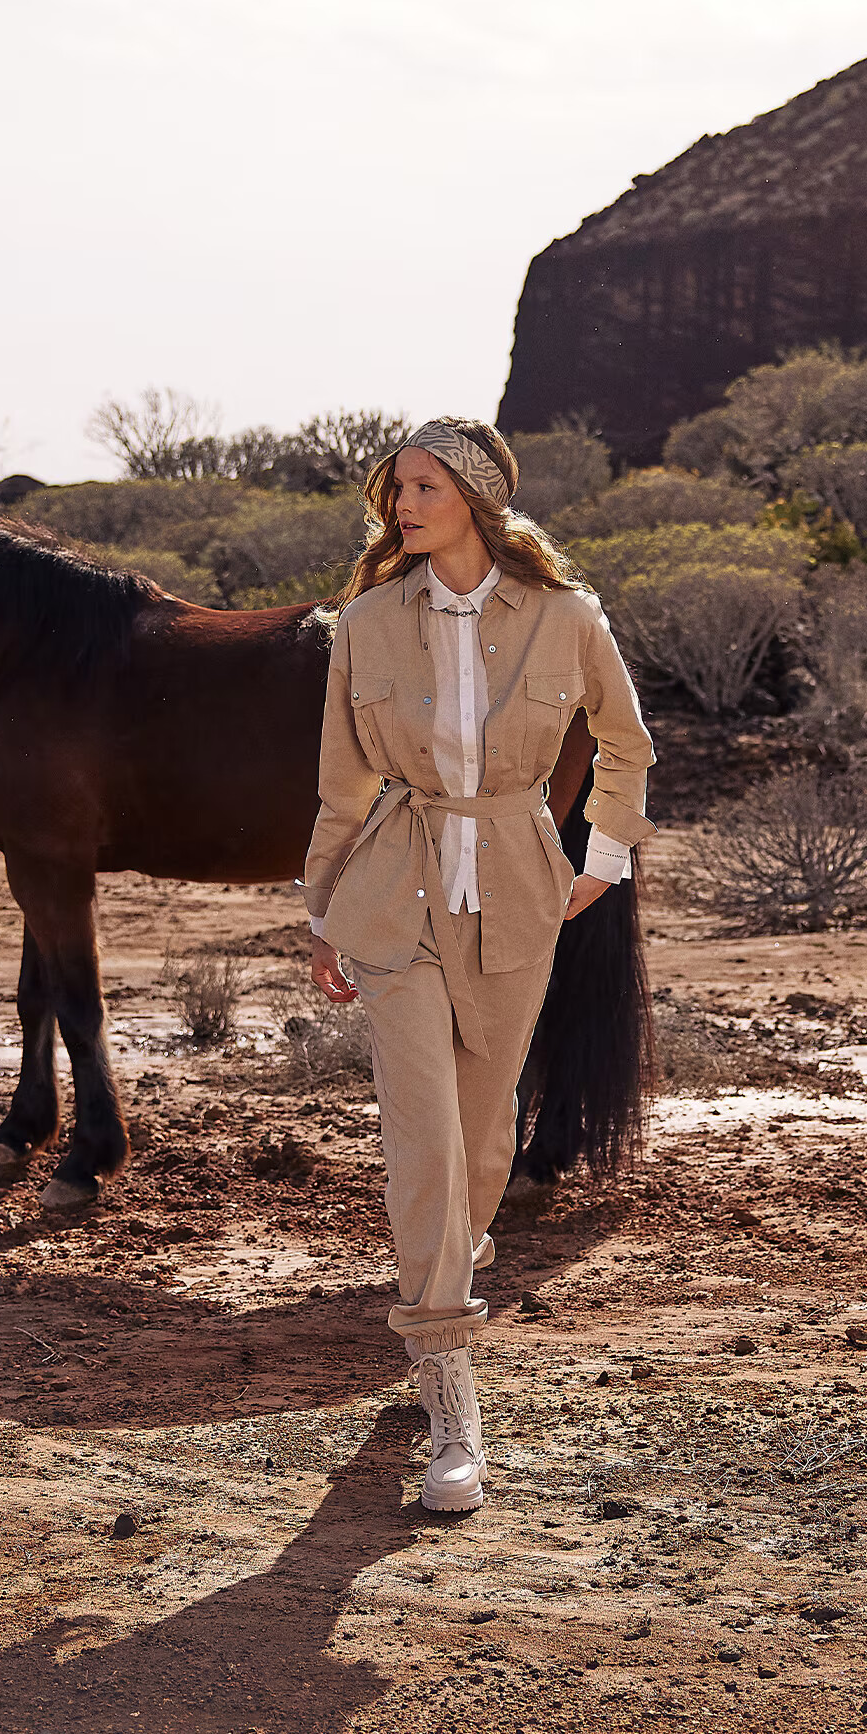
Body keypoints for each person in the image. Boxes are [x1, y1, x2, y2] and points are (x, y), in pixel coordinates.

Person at [303, 416, 654, 1511]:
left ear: (474, 497)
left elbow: (628, 741)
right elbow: (342, 786)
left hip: (515, 884)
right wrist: (324, 910)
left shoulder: (566, 615)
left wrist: (600, 857)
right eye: (394, 489)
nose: (402, 507)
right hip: (391, 890)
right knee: (420, 1134)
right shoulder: (363, 621)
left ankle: (448, 1261)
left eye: (422, 488)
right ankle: (450, 1392)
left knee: (483, 1129)